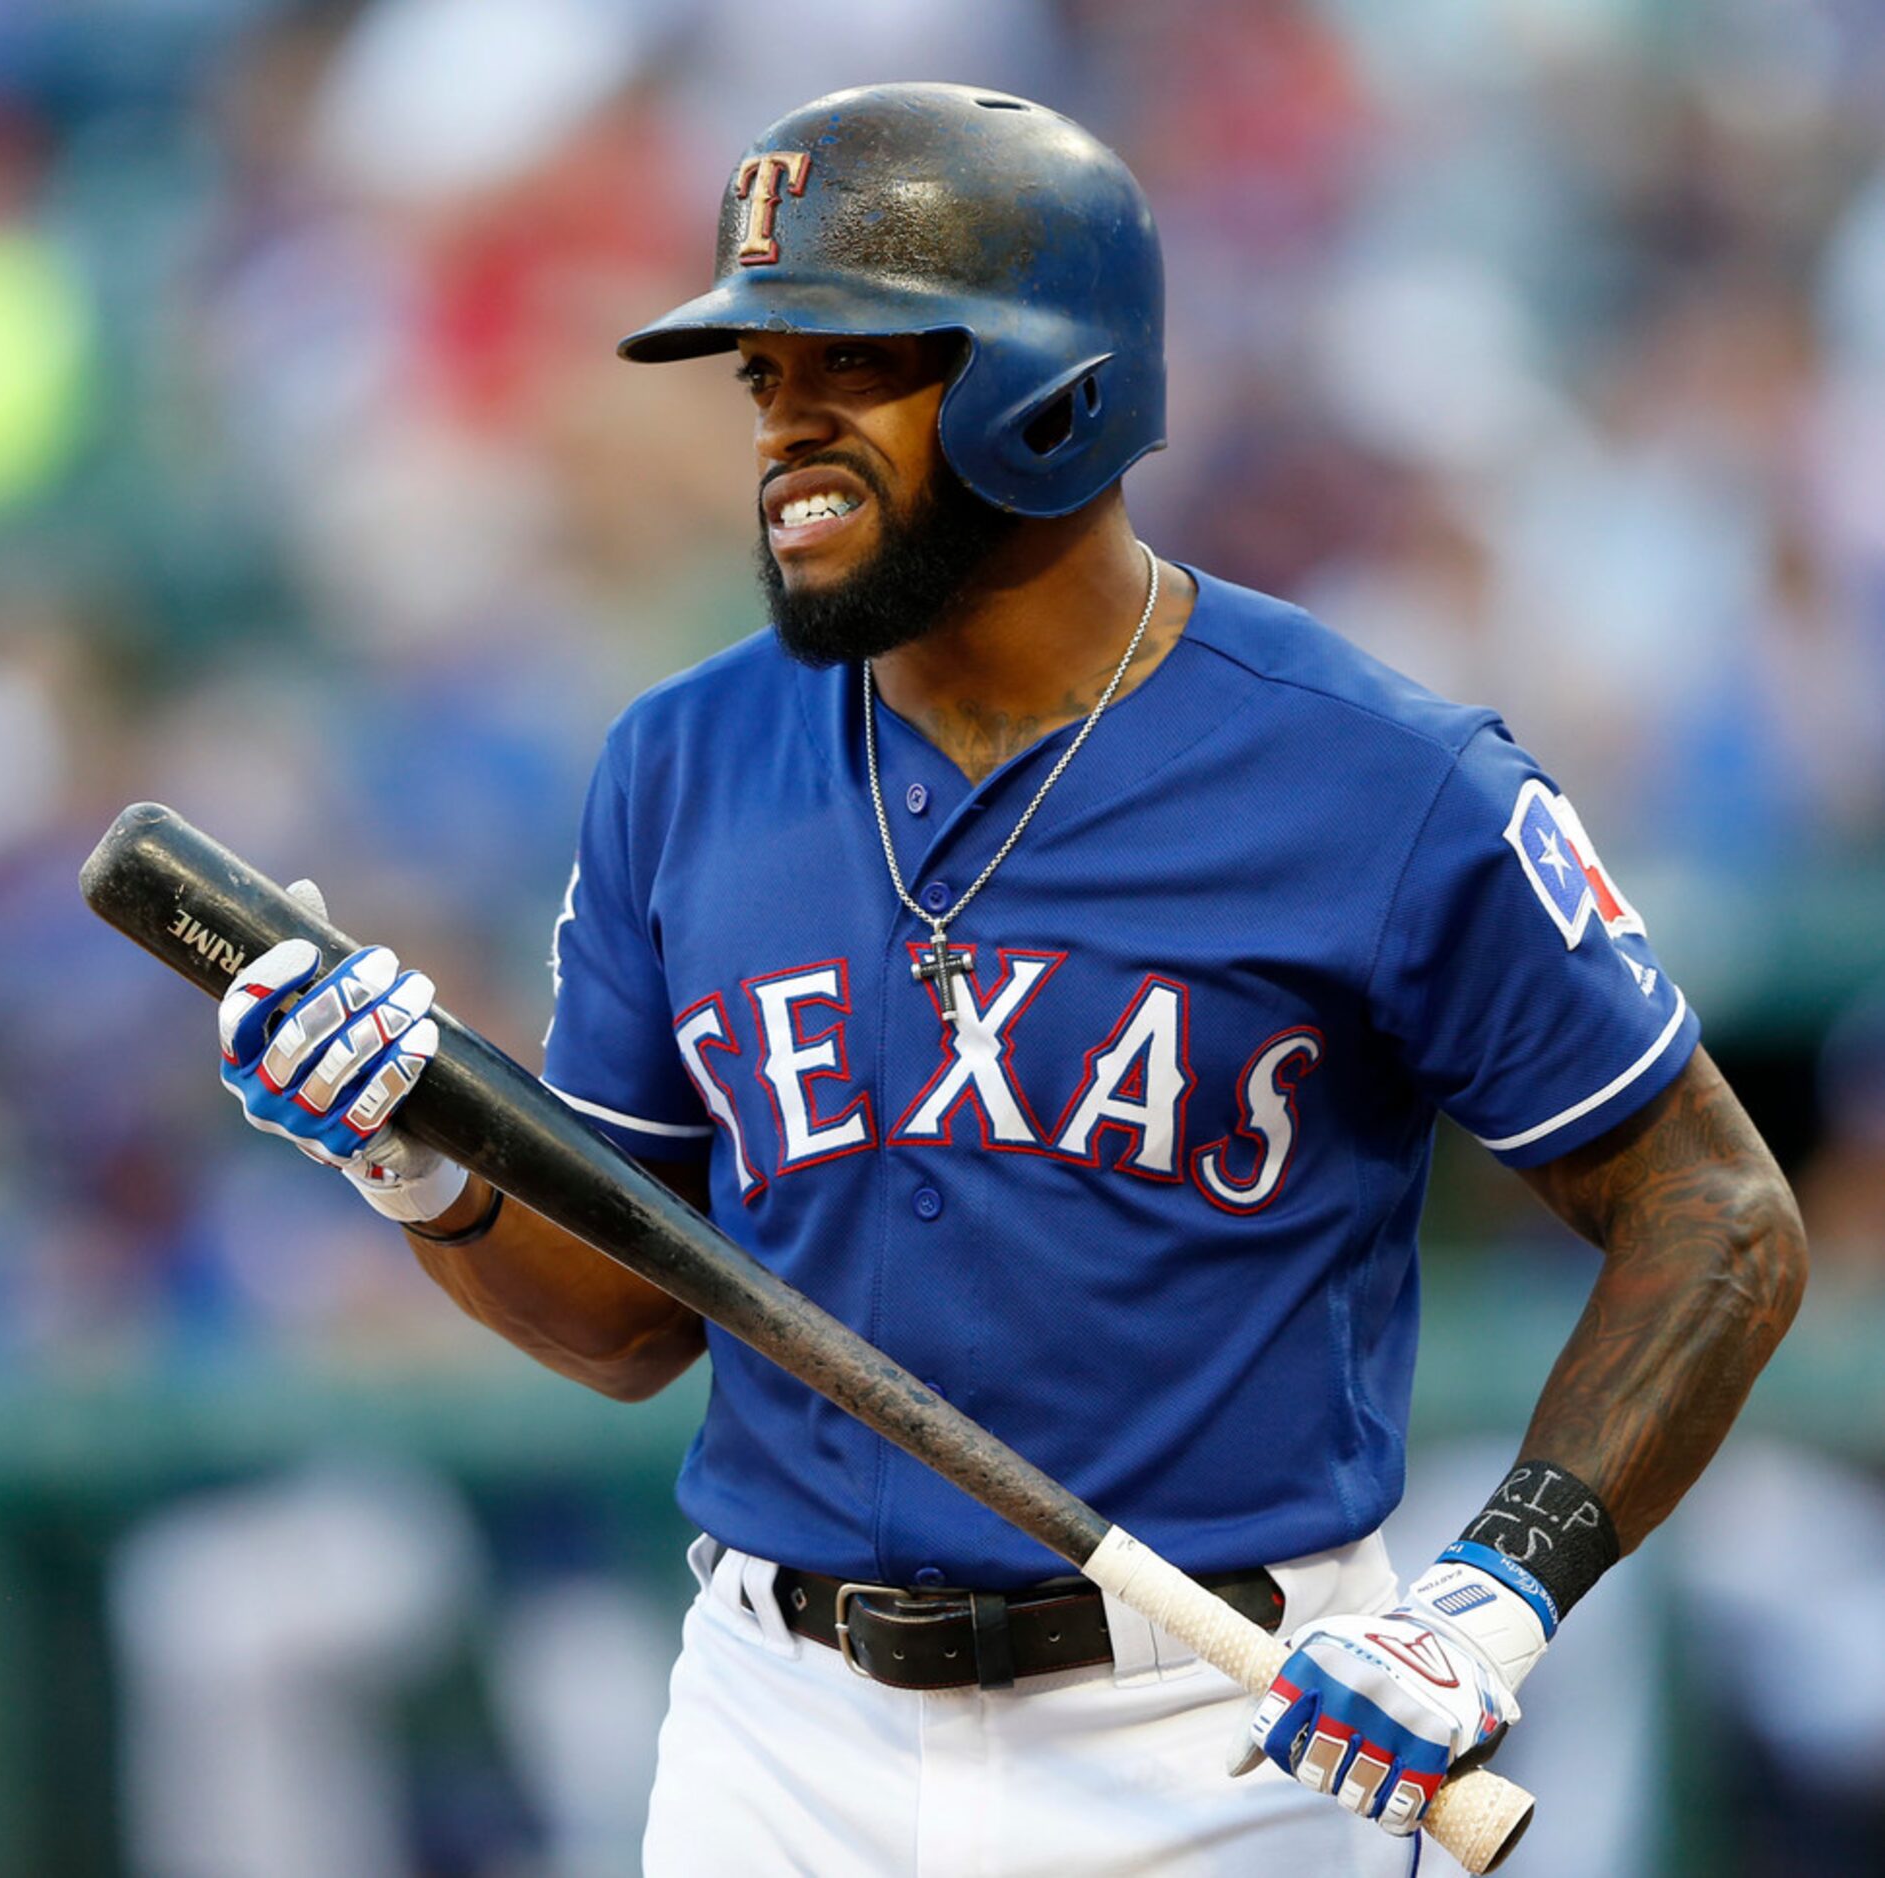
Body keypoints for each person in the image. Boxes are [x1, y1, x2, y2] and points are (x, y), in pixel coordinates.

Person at [213, 84, 1807, 1875]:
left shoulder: (1381, 776)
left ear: (1055, 385)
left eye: (848, 366)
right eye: (761, 377)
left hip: (1219, 1730)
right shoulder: (681, 763)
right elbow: (630, 1317)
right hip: (775, 1723)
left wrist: (1496, 1588)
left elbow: (1719, 1209)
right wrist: (417, 1157)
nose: (782, 429)